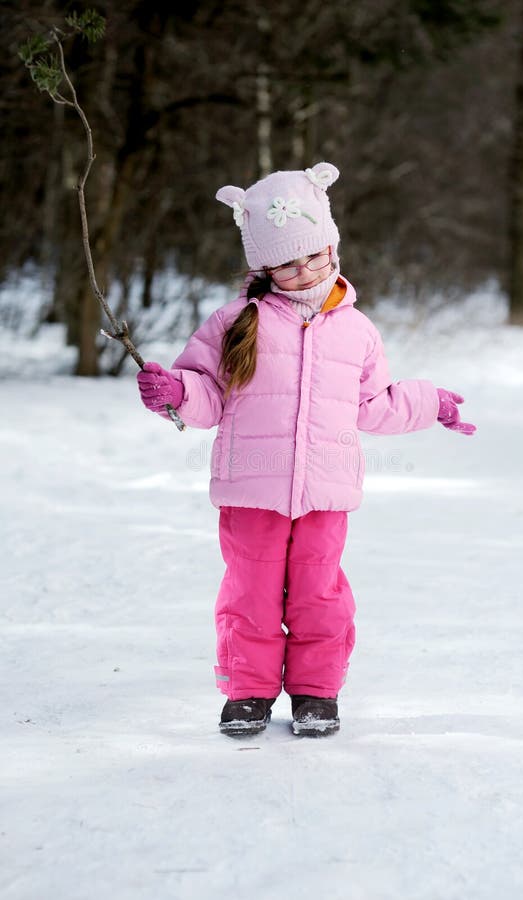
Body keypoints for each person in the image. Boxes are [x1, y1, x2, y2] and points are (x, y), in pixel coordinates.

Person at [136, 162, 476, 738]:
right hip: (252, 490)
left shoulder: (357, 330)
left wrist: (431, 402)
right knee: (251, 594)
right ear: (262, 267)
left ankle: (318, 691)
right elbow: (208, 396)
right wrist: (175, 392)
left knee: (320, 593)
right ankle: (248, 692)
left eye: (314, 255)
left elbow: (376, 404)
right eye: (287, 263)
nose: (305, 269)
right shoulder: (233, 323)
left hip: (325, 492)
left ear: (332, 246)